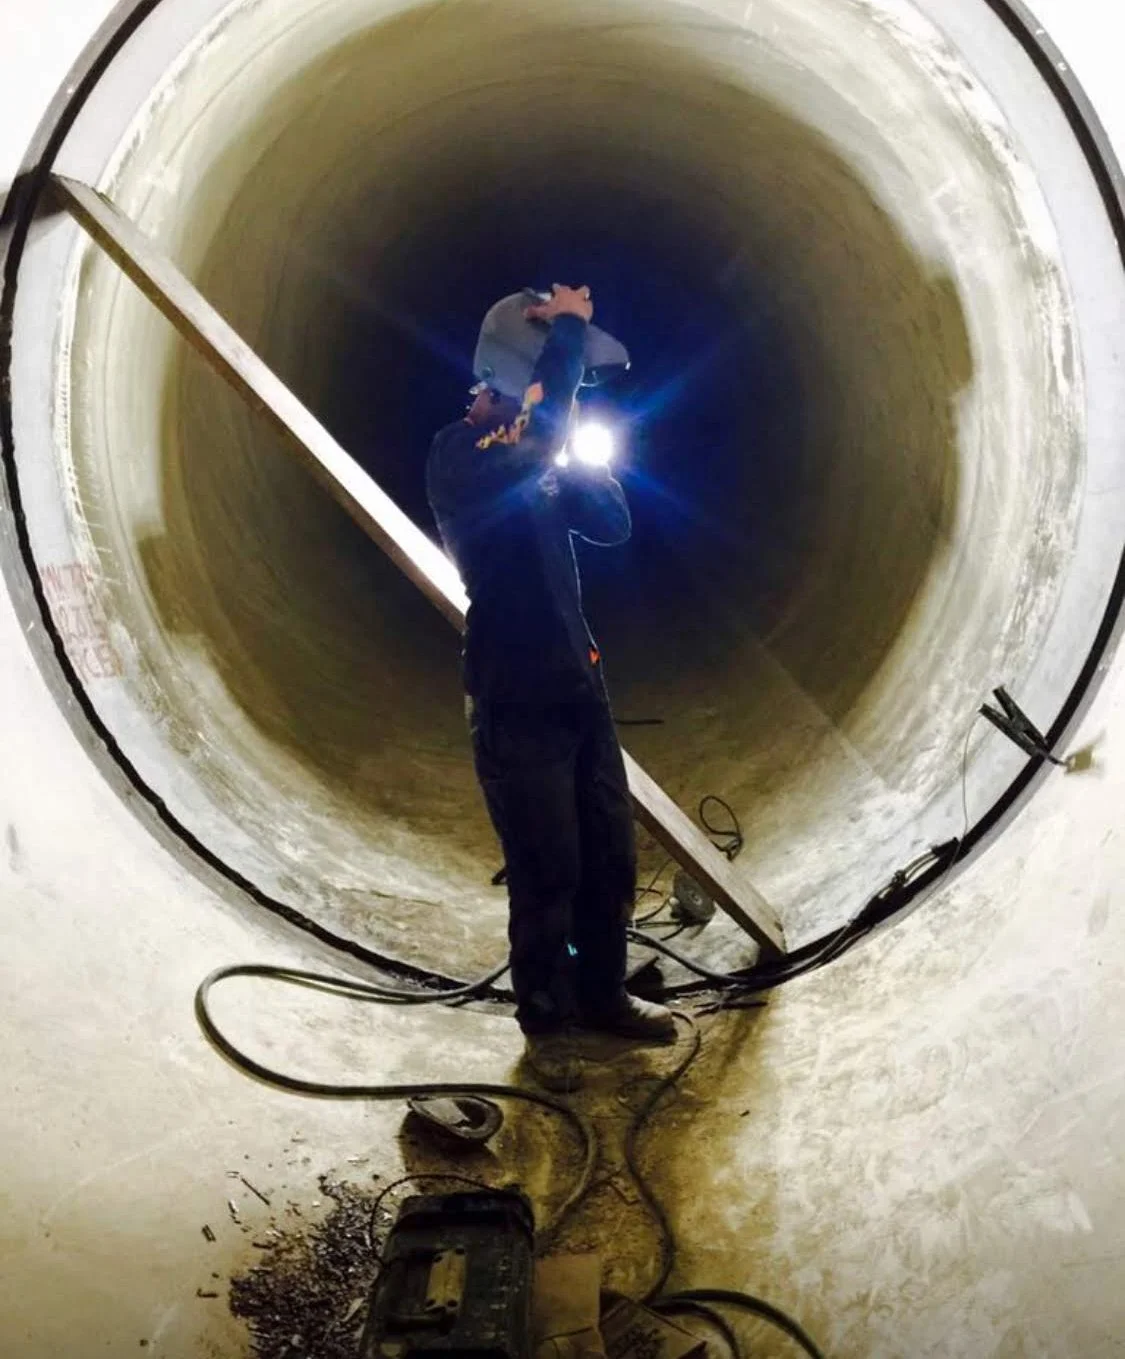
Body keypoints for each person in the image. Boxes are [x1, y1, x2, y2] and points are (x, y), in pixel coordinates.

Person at [426, 284, 676, 1088]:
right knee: (547, 870)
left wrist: (576, 459)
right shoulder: (458, 456)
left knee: (608, 855)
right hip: (514, 696)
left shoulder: (539, 455)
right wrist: (567, 329)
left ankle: (602, 995)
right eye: (546, 378)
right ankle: (545, 1022)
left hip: (578, 688)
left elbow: (611, 523)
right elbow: (529, 444)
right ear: (506, 374)